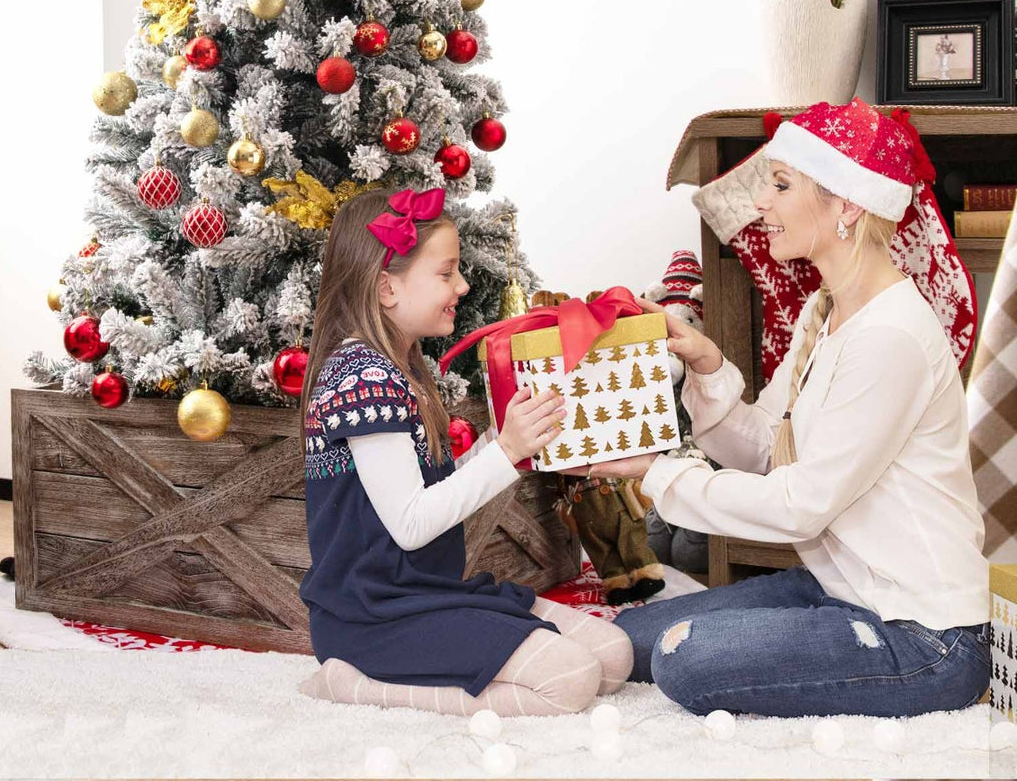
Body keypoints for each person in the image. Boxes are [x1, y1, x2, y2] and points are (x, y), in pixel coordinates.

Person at [603, 98, 990, 718]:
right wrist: (706, 362)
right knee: (623, 640)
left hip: (924, 634)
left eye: (781, 185)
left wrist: (658, 473)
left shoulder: (890, 335)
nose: (760, 204)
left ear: (848, 204)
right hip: (842, 592)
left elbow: (800, 507)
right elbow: (762, 450)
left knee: (685, 659)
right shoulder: (824, 313)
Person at [297, 186, 633, 715]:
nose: (463, 284)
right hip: (377, 615)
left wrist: (503, 442)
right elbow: (410, 523)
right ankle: (353, 685)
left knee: (613, 656)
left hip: (428, 593)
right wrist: (505, 453)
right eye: (446, 272)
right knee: (571, 680)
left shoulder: (398, 369)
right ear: (387, 288)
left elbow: (432, 489)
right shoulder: (362, 376)